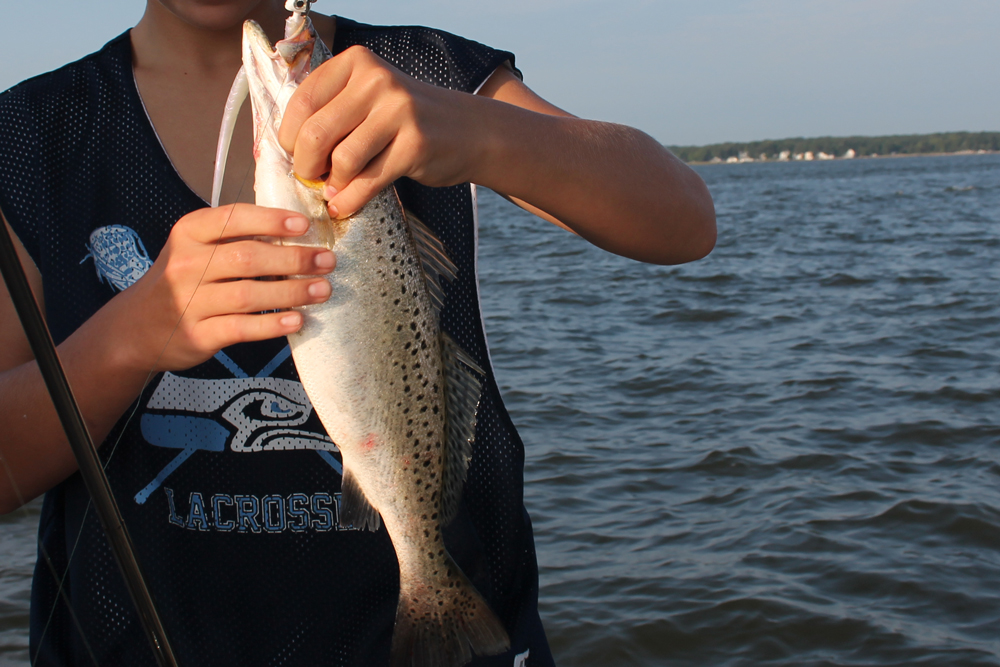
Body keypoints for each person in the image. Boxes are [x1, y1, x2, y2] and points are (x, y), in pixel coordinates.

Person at [0, 0, 715, 665]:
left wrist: (478, 129)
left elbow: (684, 218)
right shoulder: (31, 138)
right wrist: (128, 338)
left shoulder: (428, 76)